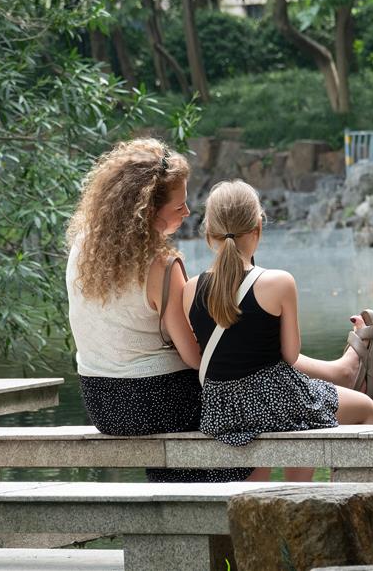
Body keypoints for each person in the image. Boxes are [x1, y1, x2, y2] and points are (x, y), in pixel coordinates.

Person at [65, 138, 250, 482]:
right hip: (155, 399)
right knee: (248, 404)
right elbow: (194, 358)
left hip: (101, 403)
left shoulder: (83, 248)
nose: (187, 213)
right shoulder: (162, 266)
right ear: (148, 210)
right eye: (179, 206)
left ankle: (179, 503)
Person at [182, 179, 373, 482]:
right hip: (276, 401)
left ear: (208, 233)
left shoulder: (190, 289)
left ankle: (344, 371)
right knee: (364, 409)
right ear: (258, 228)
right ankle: (326, 493)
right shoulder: (278, 283)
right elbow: (289, 355)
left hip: (221, 412)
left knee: (289, 421)